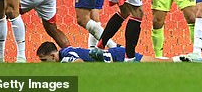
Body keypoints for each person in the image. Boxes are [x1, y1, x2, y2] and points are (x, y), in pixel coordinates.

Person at [36, 41, 188, 63]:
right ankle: (179, 59)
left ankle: (184, 59)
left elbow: (79, 63)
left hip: (117, 57)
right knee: (152, 62)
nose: (44, 64)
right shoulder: (66, 50)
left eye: (44, 61)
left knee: (154, 63)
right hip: (115, 53)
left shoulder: (64, 59)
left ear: (52, 56)